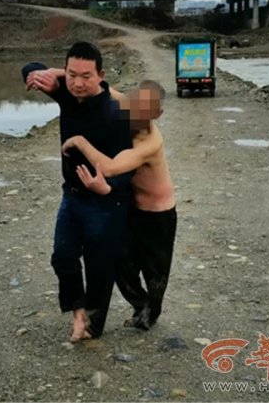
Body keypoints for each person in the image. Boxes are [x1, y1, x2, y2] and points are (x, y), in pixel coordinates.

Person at [22, 42, 134, 342]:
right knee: (63, 257)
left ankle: (93, 325)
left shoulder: (116, 113)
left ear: (101, 75)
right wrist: (47, 76)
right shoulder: (67, 95)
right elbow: (29, 68)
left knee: (99, 267)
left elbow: (129, 165)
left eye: (86, 76)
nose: (78, 83)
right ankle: (78, 314)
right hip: (71, 196)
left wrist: (108, 186)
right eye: (72, 75)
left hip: (105, 202)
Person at [61, 80, 177, 330]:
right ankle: (141, 304)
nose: (138, 112)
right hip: (130, 207)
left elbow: (111, 168)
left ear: (157, 114)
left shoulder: (149, 142)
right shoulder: (126, 108)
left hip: (158, 214)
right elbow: (96, 83)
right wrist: (53, 74)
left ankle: (151, 313)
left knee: (155, 271)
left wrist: (80, 141)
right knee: (119, 261)